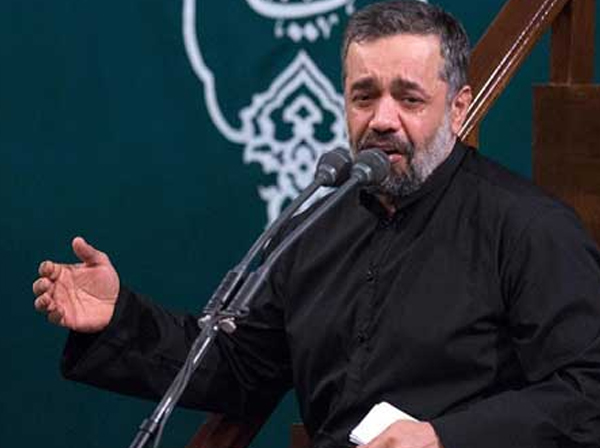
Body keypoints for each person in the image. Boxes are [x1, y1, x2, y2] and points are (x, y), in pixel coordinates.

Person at [33, 1, 600, 447]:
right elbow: (237, 368)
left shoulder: (530, 228)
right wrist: (116, 318)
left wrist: (443, 438)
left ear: (457, 108)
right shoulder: (313, 233)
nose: (382, 119)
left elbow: (586, 392)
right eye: (364, 96)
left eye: (409, 99)